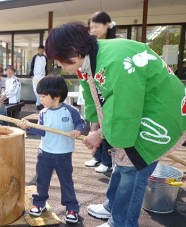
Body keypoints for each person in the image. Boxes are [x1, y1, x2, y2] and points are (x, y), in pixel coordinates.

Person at [45, 22, 185, 227]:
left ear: (73, 51)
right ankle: (112, 207)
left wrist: (102, 135)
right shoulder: (89, 59)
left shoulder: (115, 60)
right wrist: (95, 129)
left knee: (132, 171)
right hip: (135, 111)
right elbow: (92, 96)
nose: (60, 66)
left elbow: (124, 109)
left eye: (59, 60)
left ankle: (121, 222)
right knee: (121, 161)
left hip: (160, 114)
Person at [17, 75, 85, 224]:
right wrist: (28, 127)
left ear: (57, 95)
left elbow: (81, 123)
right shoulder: (44, 113)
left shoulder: (70, 110)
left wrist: (78, 130)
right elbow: (42, 132)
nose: (41, 99)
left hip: (64, 155)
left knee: (66, 181)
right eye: (40, 96)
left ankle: (71, 208)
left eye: (43, 96)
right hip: (45, 153)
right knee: (42, 180)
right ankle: (39, 203)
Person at [84, 11, 119, 173]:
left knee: (107, 125)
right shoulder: (91, 46)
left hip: (109, 91)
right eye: (91, 27)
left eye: (96, 26)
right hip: (95, 89)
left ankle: (107, 160)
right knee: (94, 124)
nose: (93, 30)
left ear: (107, 25)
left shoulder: (116, 43)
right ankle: (97, 156)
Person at [30, 45, 47, 111]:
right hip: (36, 76)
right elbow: (32, 65)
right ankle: (38, 103)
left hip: (42, 76)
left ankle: (40, 104)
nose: (41, 51)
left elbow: (46, 67)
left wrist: (46, 75)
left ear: (43, 50)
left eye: (42, 50)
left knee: (42, 90)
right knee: (36, 90)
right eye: (40, 49)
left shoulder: (45, 57)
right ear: (38, 50)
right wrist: (31, 74)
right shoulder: (35, 57)